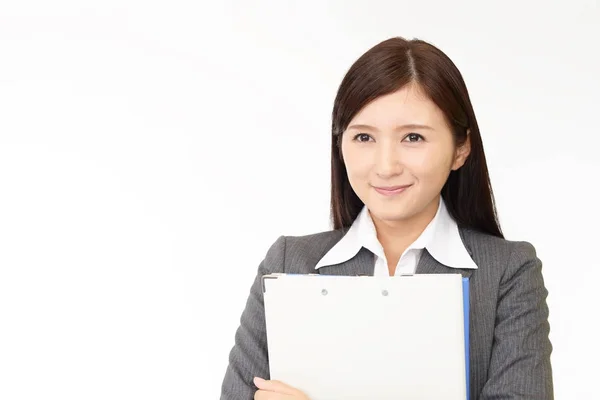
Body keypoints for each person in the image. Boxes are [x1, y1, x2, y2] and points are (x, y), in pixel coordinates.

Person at [220, 37, 553, 400]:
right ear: (340, 145)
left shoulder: (507, 272)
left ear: (461, 148)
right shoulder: (289, 263)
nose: (386, 166)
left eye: (413, 137)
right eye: (364, 137)